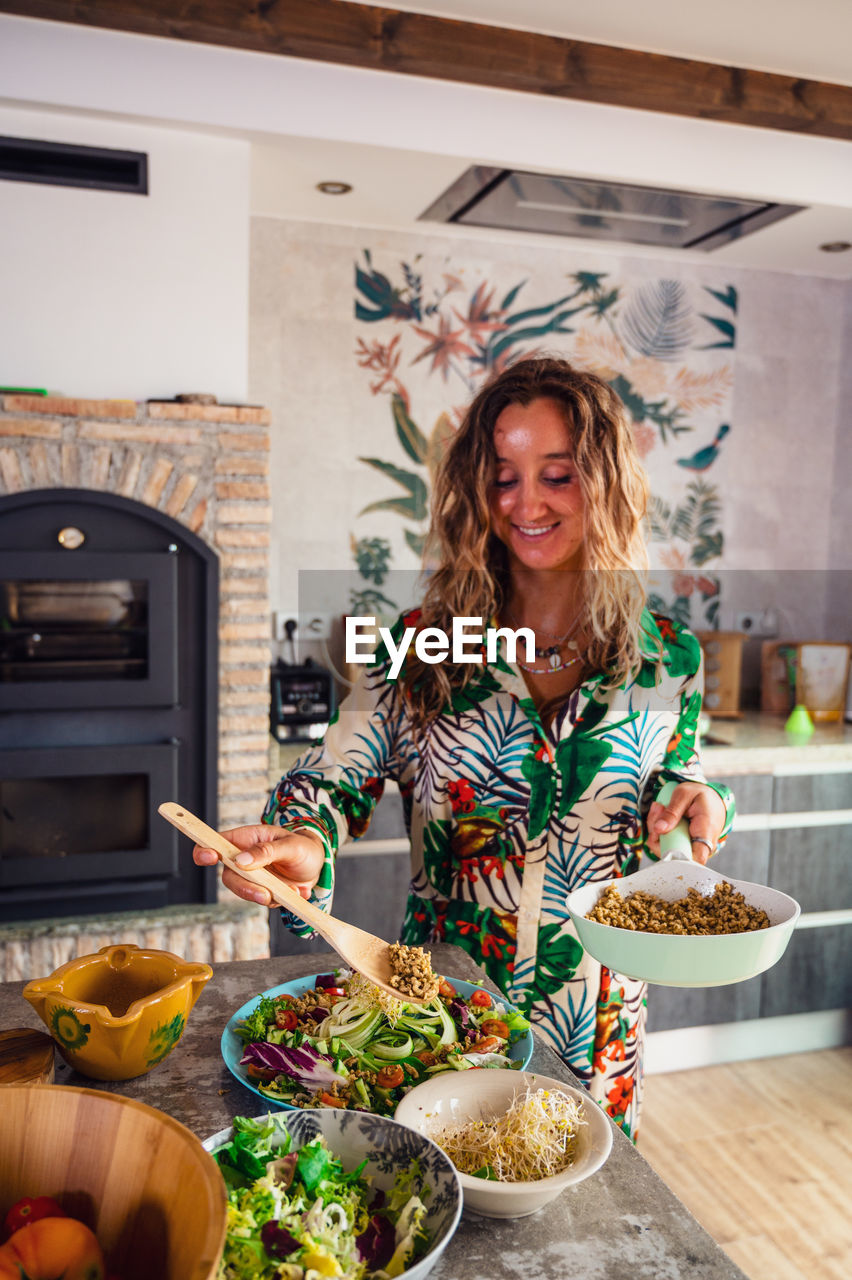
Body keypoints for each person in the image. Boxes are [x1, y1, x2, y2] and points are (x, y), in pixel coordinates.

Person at [193, 356, 733, 1140]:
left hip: (598, 1027)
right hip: (439, 1018)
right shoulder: (423, 646)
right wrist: (305, 838)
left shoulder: (670, 659)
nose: (528, 503)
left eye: (558, 474)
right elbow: (336, 771)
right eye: (504, 477)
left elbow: (678, 786)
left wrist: (702, 804)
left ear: (607, 486)